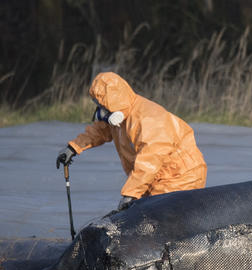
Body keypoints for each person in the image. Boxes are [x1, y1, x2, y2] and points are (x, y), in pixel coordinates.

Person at [55, 71, 208, 211]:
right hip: (154, 178)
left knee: (160, 216)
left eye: (102, 106)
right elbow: (100, 130)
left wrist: (131, 194)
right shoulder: (117, 117)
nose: (101, 112)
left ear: (114, 102)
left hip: (180, 177)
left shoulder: (148, 118)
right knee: (146, 216)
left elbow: (150, 160)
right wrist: (73, 148)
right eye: (98, 105)